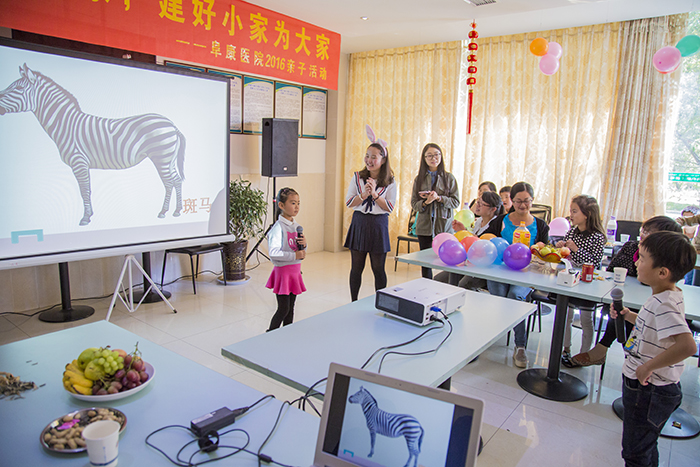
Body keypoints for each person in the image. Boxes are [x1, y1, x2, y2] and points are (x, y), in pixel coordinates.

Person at [612, 231, 696, 467]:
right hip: (648, 385)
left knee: (635, 452)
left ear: (662, 272)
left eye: (642, 258)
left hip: (649, 389)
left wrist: (648, 366)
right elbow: (653, 325)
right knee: (645, 445)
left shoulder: (664, 303)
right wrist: (628, 315)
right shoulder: (665, 295)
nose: (636, 262)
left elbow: (687, 345)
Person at [570, 216, 683, 366]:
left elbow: (686, 344)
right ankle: (626, 357)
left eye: (649, 233)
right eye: (643, 230)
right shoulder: (631, 247)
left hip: (642, 306)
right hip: (622, 297)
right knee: (619, 309)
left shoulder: (666, 291)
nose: (643, 235)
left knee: (626, 313)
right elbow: (612, 269)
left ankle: (613, 351)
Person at [482, 182, 550, 367]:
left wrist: (539, 249)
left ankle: (520, 346)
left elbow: (546, 252)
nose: (522, 205)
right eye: (518, 201)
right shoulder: (500, 221)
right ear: (511, 200)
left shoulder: (540, 225)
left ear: (532, 201)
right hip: (499, 271)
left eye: (527, 201)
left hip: (527, 274)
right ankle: (490, 334)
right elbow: (485, 241)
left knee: (514, 296)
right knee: (498, 295)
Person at [556, 195, 606, 367]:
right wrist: (562, 247)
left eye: (575, 211)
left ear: (587, 214)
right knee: (566, 316)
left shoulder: (597, 237)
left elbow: (594, 262)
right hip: (570, 279)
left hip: (587, 282)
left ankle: (584, 355)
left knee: (586, 319)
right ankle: (566, 349)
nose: (571, 215)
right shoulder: (572, 231)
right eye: (571, 211)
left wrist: (576, 249)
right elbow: (567, 257)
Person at [344, 139, 396, 301]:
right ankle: (353, 301)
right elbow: (349, 202)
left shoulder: (390, 181)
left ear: (383, 160)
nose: (369, 160)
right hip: (359, 223)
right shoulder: (358, 177)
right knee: (356, 268)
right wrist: (364, 194)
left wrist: (374, 194)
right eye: (367, 156)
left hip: (378, 224)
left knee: (378, 269)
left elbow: (389, 207)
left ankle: (381, 302)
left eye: (374, 157)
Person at [435, 191, 505, 289]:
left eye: (482, 204)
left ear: (493, 209)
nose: (477, 206)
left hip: (484, 267)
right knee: (438, 279)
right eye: (478, 202)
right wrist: (463, 230)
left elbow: (481, 245)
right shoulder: (478, 221)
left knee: (463, 285)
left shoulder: (496, 225)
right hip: (469, 262)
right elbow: (472, 241)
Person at [410, 143, 460, 279]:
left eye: (437, 155)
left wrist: (439, 198)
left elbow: (455, 202)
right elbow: (414, 204)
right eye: (430, 156)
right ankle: (427, 284)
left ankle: (447, 285)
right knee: (425, 262)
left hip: (444, 224)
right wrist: (426, 202)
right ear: (424, 158)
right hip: (424, 225)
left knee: (448, 259)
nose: (434, 158)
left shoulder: (449, 178)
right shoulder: (419, 179)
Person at [265, 187, 307, 331]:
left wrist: (304, 245)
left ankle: (287, 333)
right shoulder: (278, 228)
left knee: (291, 308)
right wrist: (294, 256)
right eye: (293, 203)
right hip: (283, 274)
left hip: (295, 272)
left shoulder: (297, 226)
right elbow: (273, 253)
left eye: (298, 203)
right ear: (281, 205)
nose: (297, 207)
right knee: (283, 309)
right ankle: (270, 334)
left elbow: (299, 250)